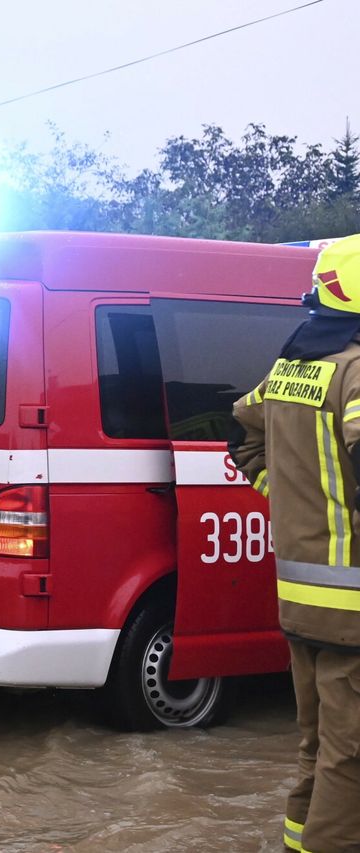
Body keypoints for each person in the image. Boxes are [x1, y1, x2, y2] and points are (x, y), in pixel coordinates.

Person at [230, 236, 360, 852]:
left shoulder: (291, 370)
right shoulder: (354, 370)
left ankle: (295, 842)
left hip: (300, 599)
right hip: (352, 609)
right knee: (351, 755)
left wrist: (282, 497)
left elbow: (241, 436)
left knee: (316, 743)